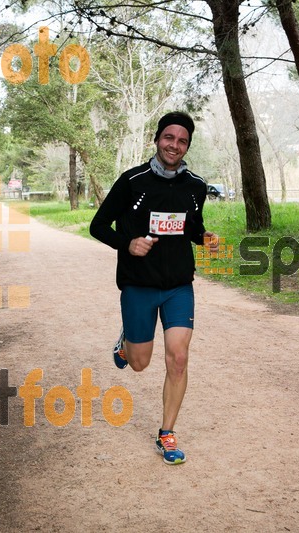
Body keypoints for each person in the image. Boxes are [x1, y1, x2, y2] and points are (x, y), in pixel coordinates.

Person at [90, 112, 218, 465]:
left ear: (187, 146)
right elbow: (97, 226)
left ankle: (167, 432)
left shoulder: (195, 185)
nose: (174, 145)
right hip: (138, 283)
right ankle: (126, 342)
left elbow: (193, 227)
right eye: (168, 138)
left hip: (178, 284)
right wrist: (127, 243)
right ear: (157, 139)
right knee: (140, 364)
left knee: (178, 357)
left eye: (182, 141)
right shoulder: (132, 181)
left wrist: (204, 238)